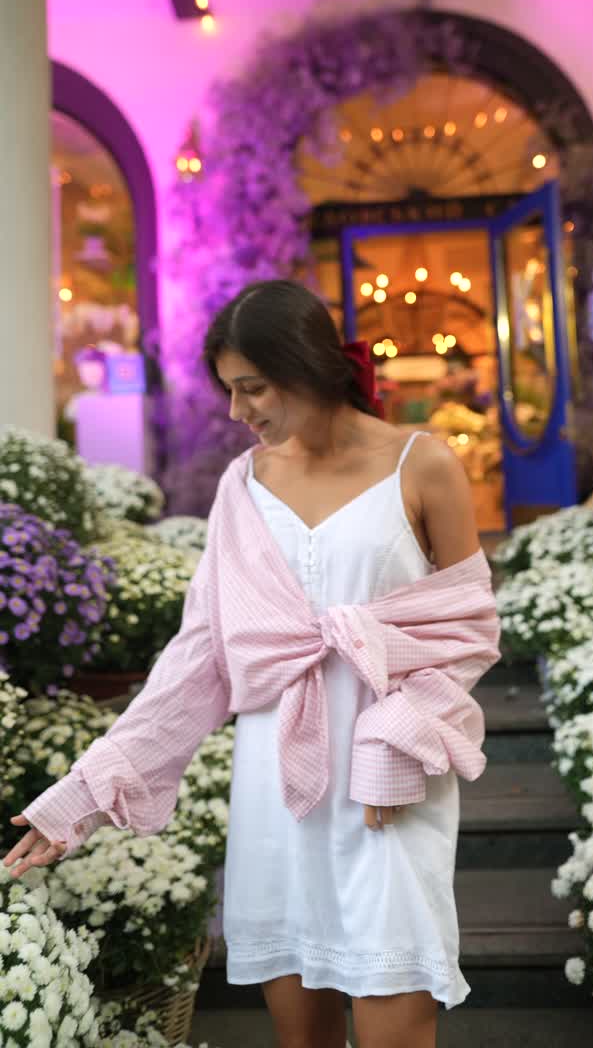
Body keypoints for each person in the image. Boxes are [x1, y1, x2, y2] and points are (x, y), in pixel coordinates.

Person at [3, 279, 500, 1048]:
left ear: (308, 367)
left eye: (253, 388)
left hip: (389, 788)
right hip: (278, 793)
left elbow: (465, 629)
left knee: (395, 1018)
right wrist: (82, 794)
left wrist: (401, 731)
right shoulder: (244, 485)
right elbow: (200, 656)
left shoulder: (422, 464)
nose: (240, 413)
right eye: (230, 392)